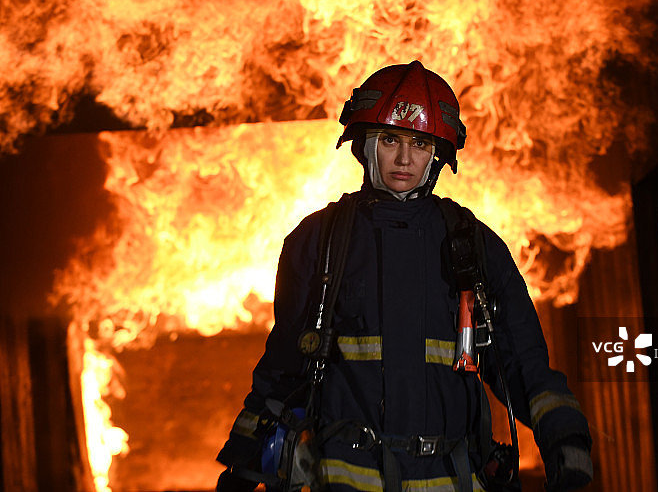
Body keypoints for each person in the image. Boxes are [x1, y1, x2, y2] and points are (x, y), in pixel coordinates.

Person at [216, 61, 593, 491]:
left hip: (453, 478)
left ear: (437, 155)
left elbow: (521, 361)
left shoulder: (472, 245)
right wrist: (245, 463)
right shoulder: (319, 242)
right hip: (348, 481)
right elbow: (285, 367)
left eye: (419, 143)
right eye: (390, 139)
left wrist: (565, 437)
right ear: (364, 145)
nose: (403, 158)